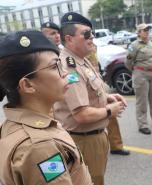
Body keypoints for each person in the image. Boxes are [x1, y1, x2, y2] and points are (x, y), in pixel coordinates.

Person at [0, 30, 93, 184]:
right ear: (28, 85)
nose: (64, 73)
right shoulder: (40, 147)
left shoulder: (13, 125)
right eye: (54, 66)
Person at [53, 12, 127, 185]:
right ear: (69, 39)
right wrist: (110, 110)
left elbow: (88, 92)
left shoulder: (81, 59)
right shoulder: (70, 66)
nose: (91, 37)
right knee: (92, 181)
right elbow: (81, 114)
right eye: (86, 34)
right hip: (84, 139)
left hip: (94, 136)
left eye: (92, 33)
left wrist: (107, 96)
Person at [87, 47, 130, 156]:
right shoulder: (69, 51)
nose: (90, 36)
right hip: (84, 84)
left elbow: (96, 64)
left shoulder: (92, 46)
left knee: (111, 116)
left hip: (97, 81)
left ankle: (116, 146)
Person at [125, 23, 152, 135]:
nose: (147, 32)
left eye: (148, 30)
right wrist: (136, 71)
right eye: (144, 30)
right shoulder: (134, 45)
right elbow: (128, 62)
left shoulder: (150, 42)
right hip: (141, 74)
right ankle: (142, 125)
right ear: (139, 33)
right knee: (142, 101)